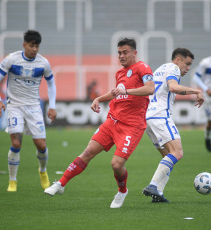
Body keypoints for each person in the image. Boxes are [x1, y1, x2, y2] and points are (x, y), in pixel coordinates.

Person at [44, 38, 155, 208]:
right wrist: (99, 98)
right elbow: (117, 93)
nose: (121, 56)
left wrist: (127, 90)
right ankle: (61, 184)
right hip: (112, 122)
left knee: (116, 165)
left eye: (125, 52)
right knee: (88, 152)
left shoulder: (142, 68)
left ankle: (122, 191)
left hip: (132, 127)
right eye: (119, 53)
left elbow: (150, 88)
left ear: (134, 53)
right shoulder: (120, 73)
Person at [0, 30, 57, 192]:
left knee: (41, 145)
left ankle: (42, 171)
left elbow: (51, 84)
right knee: (16, 143)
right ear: (24, 45)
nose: (34, 49)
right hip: (14, 106)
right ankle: (12, 180)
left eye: (37, 46)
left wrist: (52, 105)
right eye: (32, 45)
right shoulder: (12, 59)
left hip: (34, 107)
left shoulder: (43, 63)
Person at [142, 48, 204, 202]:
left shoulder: (160, 69)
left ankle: (158, 193)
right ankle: (153, 185)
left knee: (167, 156)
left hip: (148, 117)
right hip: (161, 115)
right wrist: (196, 91)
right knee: (178, 152)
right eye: (187, 63)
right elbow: (173, 87)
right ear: (177, 59)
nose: (188, 68)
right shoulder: (173, 68)